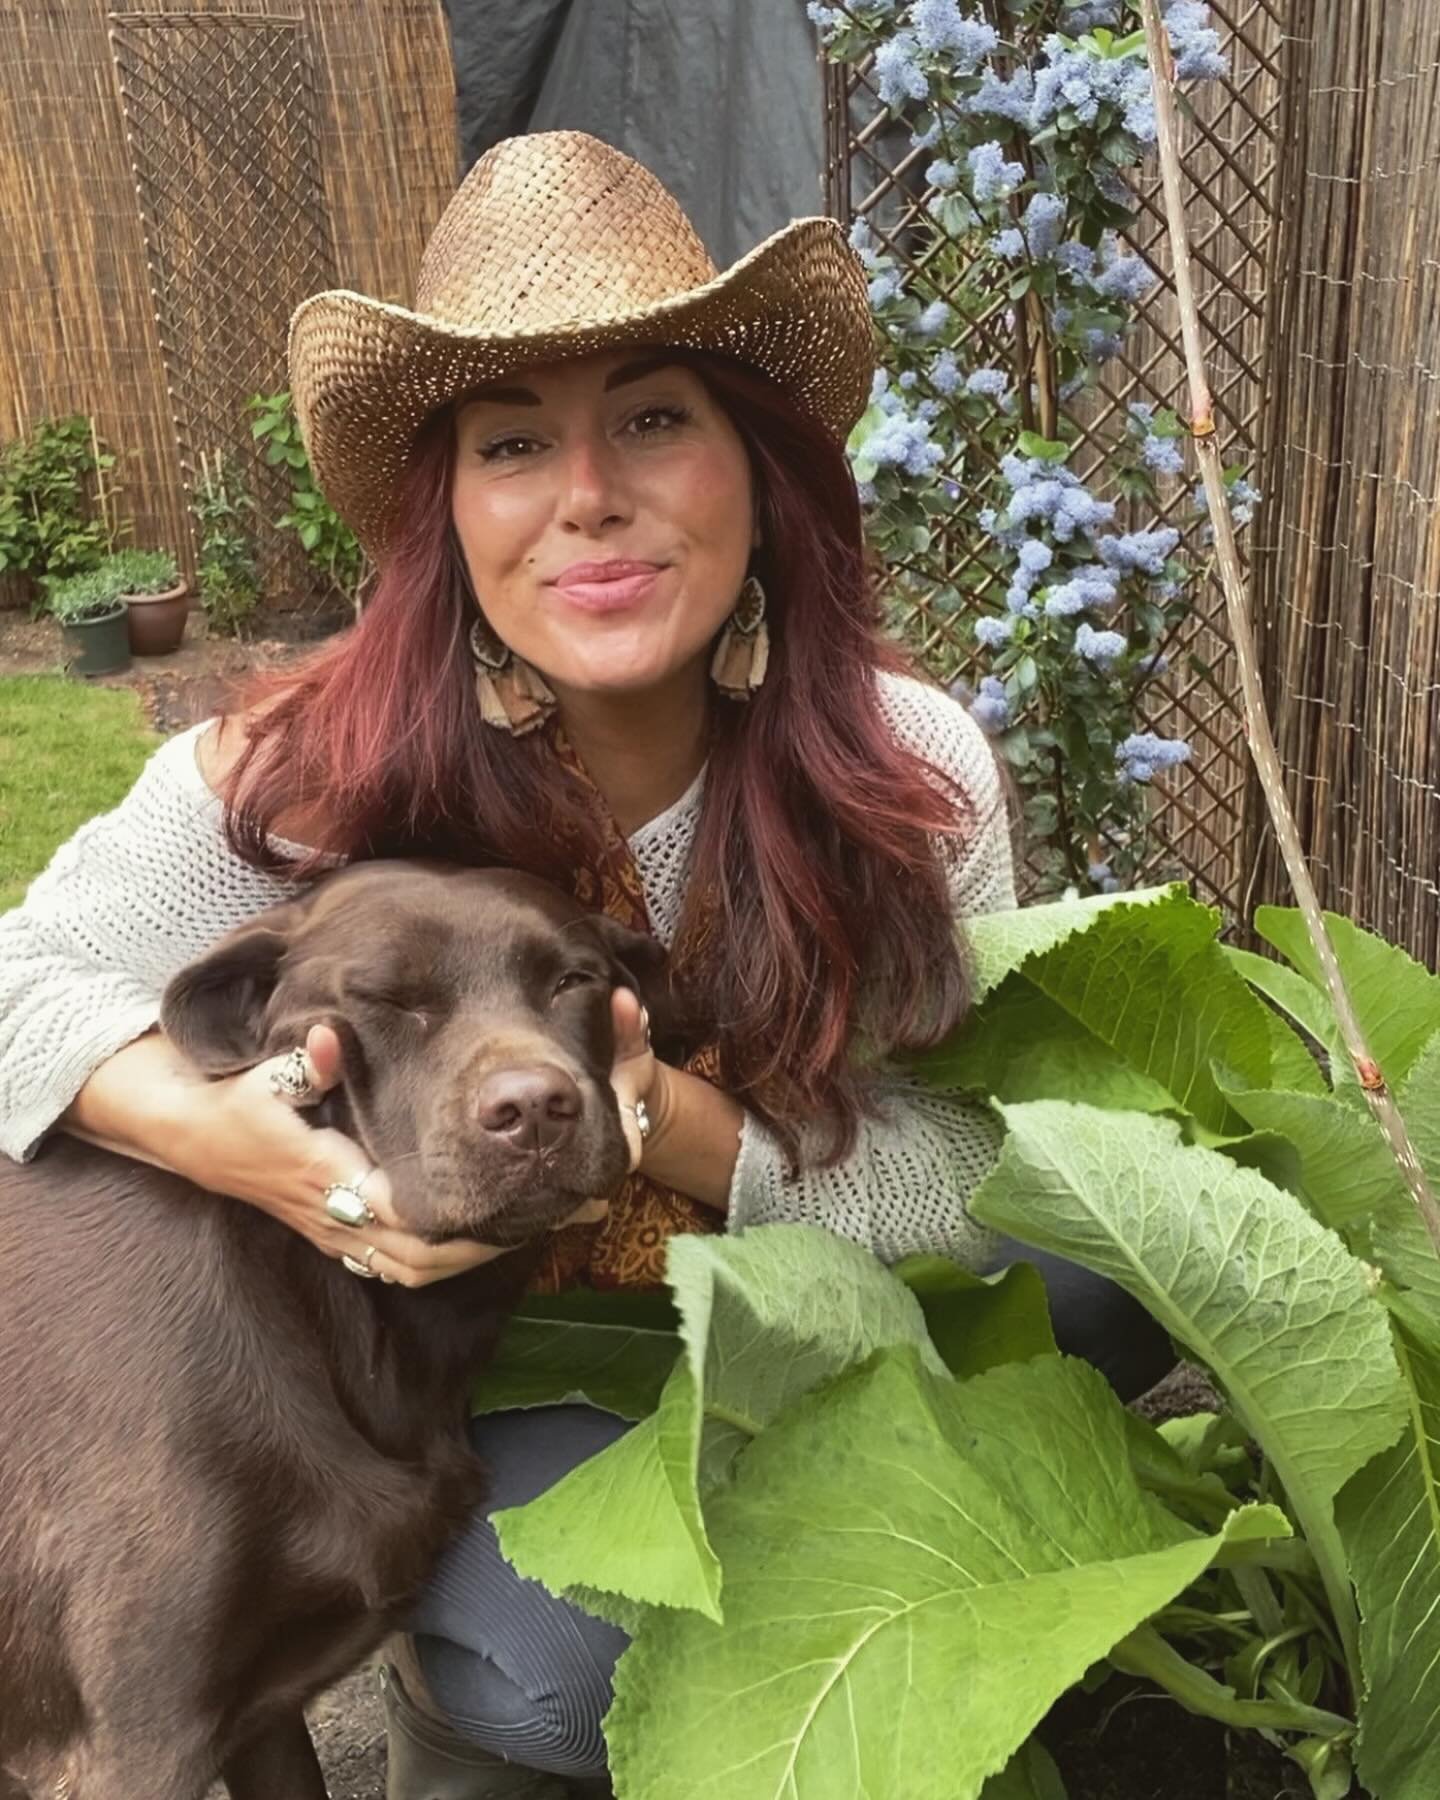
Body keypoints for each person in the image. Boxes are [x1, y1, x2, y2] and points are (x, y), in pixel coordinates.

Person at [0, 131, 1172, 1798]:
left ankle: (918, 1572)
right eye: (512, 442)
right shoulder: (305, 771)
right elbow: (18, 983)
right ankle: (439, 1651)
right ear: (451, 510)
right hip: (495, 1361)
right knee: (566, 1687)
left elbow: (962, 1181)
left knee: (1099, 1293)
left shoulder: (902, 776)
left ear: (755, 467)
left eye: (650, 417)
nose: (587, 495)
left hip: (800, 1288)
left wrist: (673, 1129)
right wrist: (250, 1152)